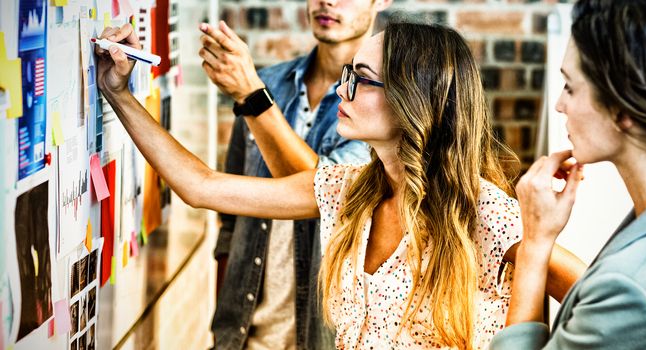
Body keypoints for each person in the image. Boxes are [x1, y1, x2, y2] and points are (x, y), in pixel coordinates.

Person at [95, 20, 582, 349]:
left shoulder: (489, 214)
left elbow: (602, 297)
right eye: (347, 75)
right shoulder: (346, 190)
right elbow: (200, 187)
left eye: (362, 79)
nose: (342, 90)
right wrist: (116, 93)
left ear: (413, 99)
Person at [491, 0, 646, 349]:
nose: (559, 105)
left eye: (570, 87)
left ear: (622, 109)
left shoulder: (630, 289)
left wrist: (535, 243)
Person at [197, 0, 390, 346]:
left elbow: (322, 191)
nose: (326, 2)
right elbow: (230, 224)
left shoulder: (381, 106)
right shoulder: (267, 82)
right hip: (242, 337)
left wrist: (253, 98)